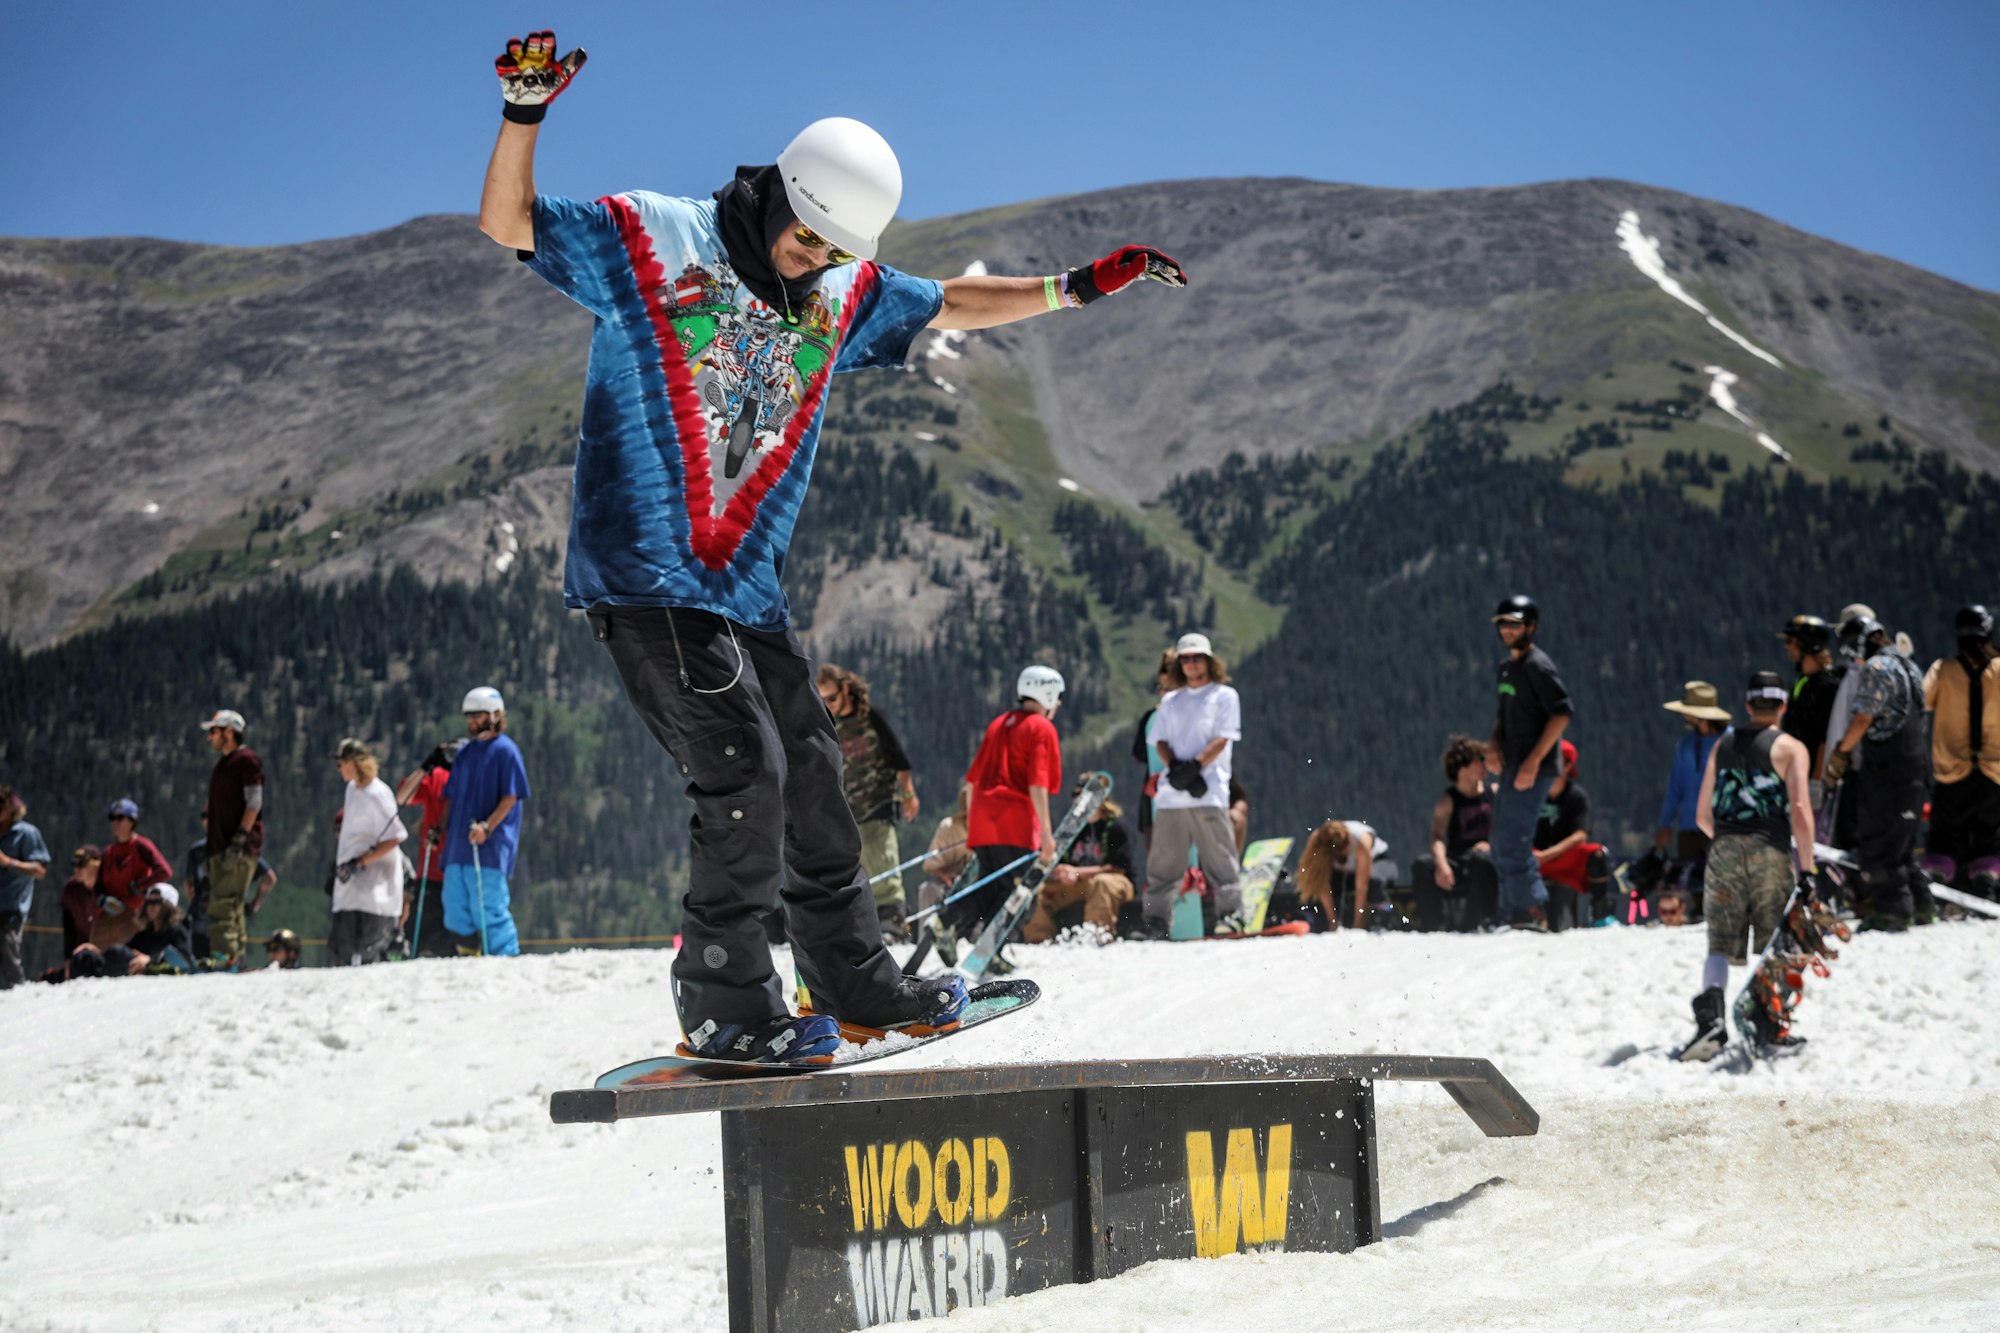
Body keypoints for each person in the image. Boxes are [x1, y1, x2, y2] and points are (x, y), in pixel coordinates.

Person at [477, 28, 1187, 1061]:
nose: (815, 267)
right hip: (644, 578)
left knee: (813, 774)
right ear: (777, 201)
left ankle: (858, 980)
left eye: (836, 255)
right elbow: (508, 223)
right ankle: (723, 995)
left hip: (744, 589)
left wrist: (1074, 287)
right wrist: (524, 114)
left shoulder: (844, 290)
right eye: (804, 243)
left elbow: (945, 301)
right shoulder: (654, 239)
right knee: (742, 767)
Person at [1679, 672, 1817, 1061]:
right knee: (1780, 941)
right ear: (1783, 706)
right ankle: (1767, 1021)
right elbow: (1802, 812)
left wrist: (1729, 841)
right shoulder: (1791, 748)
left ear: (1747, 706)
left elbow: (1702, 815)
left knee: (1719, 943)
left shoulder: (1722, 744)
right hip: (1769, 849)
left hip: (1723, 847)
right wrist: (1807, 870)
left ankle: (1711, 1021)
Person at [1826, 615, 1934, 930]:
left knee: (1878, 840)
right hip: (1915, 761)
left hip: (1887, 766)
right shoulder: (1910, 667)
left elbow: (1862, 718)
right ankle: (1922, 905)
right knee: (1902, 840)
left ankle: (1893, 911)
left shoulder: (1877, 669)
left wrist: (1842, 753)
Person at [955, 667, 1066, 947]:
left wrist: (972, 823)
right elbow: (1038, 785)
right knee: (1017, 892)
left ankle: (955, 924)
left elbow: (971, 779)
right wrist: (1046, 834)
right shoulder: (1041, 728)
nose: (1060, 703)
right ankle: (960, 925)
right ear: (1048, 692)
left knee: (993, 884)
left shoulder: (998, 723)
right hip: (1013, 820)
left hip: (982, 816)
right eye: (1058, 696)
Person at [1145, 633, 1245, 937]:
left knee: (1220, 859)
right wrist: (1174, 766)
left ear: (1209, 661)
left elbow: (1223, 737)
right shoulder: (1171, 700)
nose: (1191, 663)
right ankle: (1157, 921)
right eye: (1185, 658)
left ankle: (1231, 915)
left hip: (1209, 791)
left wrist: (1195, 765)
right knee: (1163, 864)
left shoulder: (1224, 696)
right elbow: (1159, 739)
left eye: (1196, 657)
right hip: (1172, 795)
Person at [1485, 595, 1572, 930]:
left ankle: (1533, 910)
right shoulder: (1508, 668)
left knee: (1516, 839)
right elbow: (1503, 715)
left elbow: (1562, 714)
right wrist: (1493, 744)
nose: (1507, 630)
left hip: (1533, 768)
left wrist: (1534, 761)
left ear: (1531, 627)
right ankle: (1512, 912)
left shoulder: (1538, 665)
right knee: (1501, 839)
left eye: (1515, 624)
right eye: (1503, 623)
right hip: (1512, 763)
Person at [816, 664, 919, 939]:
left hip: (878, 800)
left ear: (846, 690)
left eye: (832, 698)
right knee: (855, 863)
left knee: (882, 855)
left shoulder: (870, 718)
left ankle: (894, 920)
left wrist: (909, 793)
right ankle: (865, 923)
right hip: (848, 809)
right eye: (822, 699)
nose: (828, 704)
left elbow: (900, 759)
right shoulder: (830, 725)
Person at [438, 687, 531, 956]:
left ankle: (505, 957)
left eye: (477, 716)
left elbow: (512, 796)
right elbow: (451, 796)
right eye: (469, 717)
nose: (471, 722)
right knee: (454, 906)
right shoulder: (465, 754)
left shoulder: (506, 751)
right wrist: (439, 828)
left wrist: (488, 826)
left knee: (487, 906)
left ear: (494, 715)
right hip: (458, 843)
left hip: (489, 845)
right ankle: (470, 954)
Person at [1922, 606, 2000, 900]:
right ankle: (1986, 885)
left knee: (1943, 838)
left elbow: (1922, 700)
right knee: (1989, 838)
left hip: (1952, 772)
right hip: (1995, 772)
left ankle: (1937, 890)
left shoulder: (1942, 670)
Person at [330, 739, 410, 966]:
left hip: (375, 894)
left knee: (367, 958)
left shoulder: (377, 793)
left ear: (354, 763)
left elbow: (395, 836)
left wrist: (361, 861)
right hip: (350, 891)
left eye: (341, 763)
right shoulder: (353, 789)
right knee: (343, 956)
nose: (339, 769)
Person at [1023, 788, 1135, 946]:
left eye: (1084, 795)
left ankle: (1098, 935)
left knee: (1101, 883)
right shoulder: (1072, 830)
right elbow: (1056, 861)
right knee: (1037, 890)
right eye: (1075, 795)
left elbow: (1118, 868)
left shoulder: (1116, 827)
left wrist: (1077, 873)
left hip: (1114, 883)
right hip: (1077, 885)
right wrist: (1060, 873)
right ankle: (1039, 938)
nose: (1079, 800)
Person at [1411, 736, 1498, 934]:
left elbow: (1510, 829)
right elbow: (1437, 836)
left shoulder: (1494, 794)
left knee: (1480, 860)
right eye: (1479, 760)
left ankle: (1479, 922)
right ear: (1464, 765)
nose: (1485, 765)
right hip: (1459, 859)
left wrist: (1492, 845)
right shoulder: (1448, 801)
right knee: (1422, 865)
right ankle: (1433, 925)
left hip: (1489, 859)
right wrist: (1441, 864)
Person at [200, 707, 266, 965]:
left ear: (230, 732)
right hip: (221, 847)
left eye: (214, 731)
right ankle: (235, 960)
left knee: (222, 906)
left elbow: (254, 802)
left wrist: (239, 840)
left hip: (235, 846)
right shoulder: (224, 764)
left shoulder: (246, 760)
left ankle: (223, 957)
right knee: (233, 905)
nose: (210, 737)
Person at [1655, 681, 1728, 909]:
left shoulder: (1730, 742)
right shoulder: (1685, 743)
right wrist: (1665, 823)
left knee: (1722, 880)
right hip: (1687, 827)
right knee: (1691, 886)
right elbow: (1675, 786)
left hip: (1719, 825)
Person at [395, 739, 463, 958]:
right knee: (424, 940)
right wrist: (428, 766)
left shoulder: (474, 780)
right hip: (433, 874)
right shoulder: (437, 777)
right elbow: (403, 796)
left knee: (450, 942)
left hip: (457, 873)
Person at [1533, 741, 1611, 930]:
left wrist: (1546, 856)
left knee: (1597, 855)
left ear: (1568, 766)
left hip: (1564, 858)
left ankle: (1600, 912)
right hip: (1534, 857)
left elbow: (1580, 836)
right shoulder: (1533, 793)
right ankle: (1521, 913)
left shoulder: (1577, 796)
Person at [181, 824, 277, 960]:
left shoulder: (199, 850)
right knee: (229, 961)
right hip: (229, 919)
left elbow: (188, 884)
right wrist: (253, 906)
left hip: (209, 920)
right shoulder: (243, 851)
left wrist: (197, 904)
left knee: (205, 964)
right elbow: (270, 878)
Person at [1777, 615, 1842, 810]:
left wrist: (1816, 781)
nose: (1786, 646)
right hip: (1793, 774)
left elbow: (1825, 738)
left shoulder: (1826, 686)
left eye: (1791, 641)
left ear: (1807, 644)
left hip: (1808, 778)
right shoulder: (1802, 681)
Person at [95, 798, 175, 948]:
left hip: (133, 916)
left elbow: (165, 871)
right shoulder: (108, 852)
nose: (115, 822)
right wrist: (102, 900)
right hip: (107, 917)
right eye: (112, 817)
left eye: (120, 818)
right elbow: (98, 887)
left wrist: (139, 887)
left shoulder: (141, 846)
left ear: (132, 821)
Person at [1296, 819, 1393, 931]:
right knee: (1318, 884)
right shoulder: (1317, 841)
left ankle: (1382, 921)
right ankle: (1317, 919)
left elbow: (1361, 886)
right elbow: (1321, 881)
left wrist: (1358, 925)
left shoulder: (1362, 840)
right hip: (1343, 872)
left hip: (1377, 860)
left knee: (1375, 881)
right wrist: (1332, 922)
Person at [0, 785, 51, 990]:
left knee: (8, 951)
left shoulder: (26, 833)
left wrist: (8, 863)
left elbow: (40, 870)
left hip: (10, 904)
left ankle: (18, 995)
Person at [1129, 650, 1178, 850]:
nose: (1162, 692)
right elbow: (1139, 753)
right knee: (1155, 846)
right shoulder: (1151, 718)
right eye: (1160, 687)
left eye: (1168, 688)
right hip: (1154, 789)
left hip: (1187, 788)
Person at [916, 785, 974, 918]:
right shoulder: (949, 827)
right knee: (928, 890)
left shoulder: (989, 830)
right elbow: (931, 864)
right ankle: (927, 936)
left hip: (977, 887)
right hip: (947, 886)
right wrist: (947, 878)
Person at [126, 883, 195, 972]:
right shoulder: (144, 935)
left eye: (156, 902)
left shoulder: (178, 932)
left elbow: (183, 960)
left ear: (168, 905)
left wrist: (150, 960)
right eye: (148, 902)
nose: (150, 906)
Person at [59, 845, 102, 957]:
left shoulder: (108, 887)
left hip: (106, 948)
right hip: (81, 952)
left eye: (81, 864)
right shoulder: (70, 889)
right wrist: (68, 957)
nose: (77, 869)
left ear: (96, 866)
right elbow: (69, 928)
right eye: (74, 864)